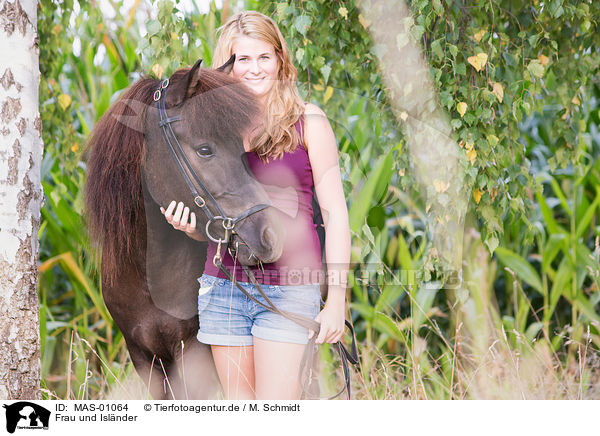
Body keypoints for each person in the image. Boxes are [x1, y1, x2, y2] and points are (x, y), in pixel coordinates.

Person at [160, 10, 350, 400]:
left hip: (289, 287)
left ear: (280, 60)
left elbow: (335, 215)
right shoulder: (211, 129)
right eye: (243, 59)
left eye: (264, 57)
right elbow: (219, 215)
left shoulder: (309, 122)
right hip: (223, 285)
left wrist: (338, 301)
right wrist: (190, 227)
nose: (254, 69)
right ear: (227, 64)